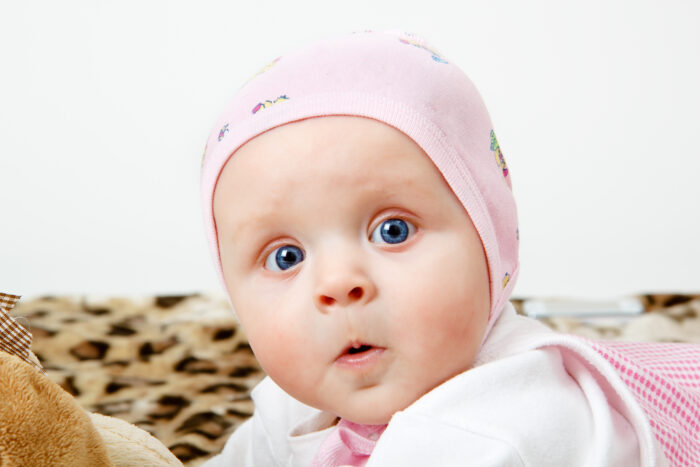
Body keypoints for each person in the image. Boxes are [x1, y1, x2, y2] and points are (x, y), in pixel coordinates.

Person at [199, 30, 697, 466]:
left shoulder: (498, 433)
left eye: (392, 230)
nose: (338, 284)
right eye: (286, 257)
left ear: (490, 240)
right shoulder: (293, 408)